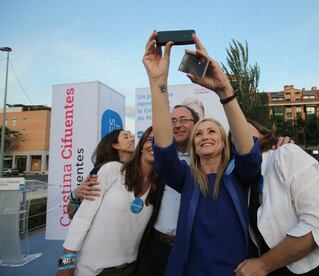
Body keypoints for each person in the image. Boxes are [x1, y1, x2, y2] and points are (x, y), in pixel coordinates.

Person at [143, 31, 261, 275]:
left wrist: (224, 90)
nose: (205, 136)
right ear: (194, 146)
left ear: (224, 142)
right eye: (199, 133)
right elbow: (164, 151)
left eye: (212, 131)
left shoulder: (239, 174)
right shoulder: (185, 178)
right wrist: (158, 82)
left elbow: (247, 151)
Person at [235, 121, 319, 276]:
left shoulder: (286, 154)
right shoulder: (246, 181)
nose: (238, 133)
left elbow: (316, 224)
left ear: (262, 131)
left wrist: (263, 264)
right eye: (232, 134)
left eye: (242, 125)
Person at [57, 127, 161, 276]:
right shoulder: (110, 169)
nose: (155, 144)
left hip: (131, 268)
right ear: (142, 145)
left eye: (161, 142)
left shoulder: (159, 186)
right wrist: (64, 265)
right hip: (94, 270)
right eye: (150, 140)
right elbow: (81, 218)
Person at [135, 104, 199, 275]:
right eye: (172, 121)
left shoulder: (207, 159)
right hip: (155, 247)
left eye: (184, 120)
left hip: (192, 250)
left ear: (196, 124)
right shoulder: (158, 159)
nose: (177, 125)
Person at [67, 130, 135, 218]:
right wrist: (75, 196)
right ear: (116, 145)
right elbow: (72, 214)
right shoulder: (102, 169)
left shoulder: (139, 168)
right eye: (126, 137)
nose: (133, 139)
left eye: (132, 136)